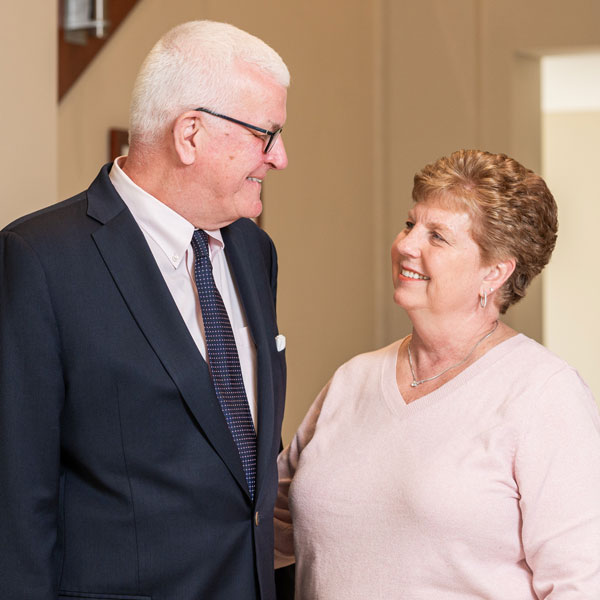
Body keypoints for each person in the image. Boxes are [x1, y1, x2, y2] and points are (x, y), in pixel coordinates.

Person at [0, 20, 290, 600]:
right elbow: (15, 499)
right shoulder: (40, 258)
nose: (280, 157)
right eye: (267, 133)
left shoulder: (254, 249)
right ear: (190, 135)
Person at [274, 149, 600, 599]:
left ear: (495, 272)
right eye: (410, 225)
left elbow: (580, 585)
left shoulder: (544, 393)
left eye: (437, 237)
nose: (406, 244)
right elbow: (269, 527)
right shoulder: (354, 379)